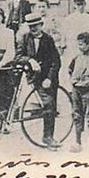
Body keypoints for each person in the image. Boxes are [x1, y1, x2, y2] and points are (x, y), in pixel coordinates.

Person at [16, 11, 62, 149]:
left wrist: (49, 78)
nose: (34, 29)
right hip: (31, 76)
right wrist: (30, 60)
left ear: (41, 25)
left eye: (36, 26)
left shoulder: (48, 39)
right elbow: (18, 56)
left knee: (49, 104)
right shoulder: (25, 38)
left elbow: (56, 62)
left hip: (47, 77)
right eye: (31, 27)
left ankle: (48, 136)